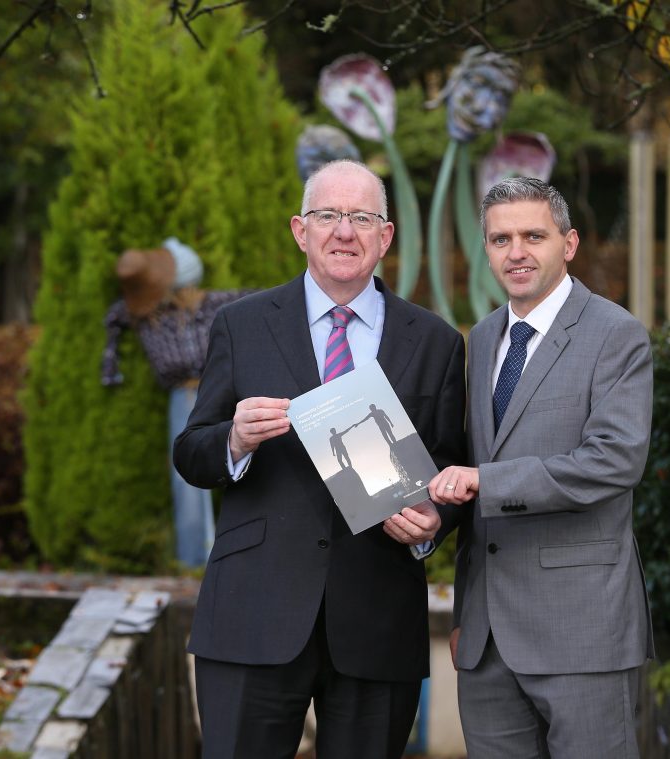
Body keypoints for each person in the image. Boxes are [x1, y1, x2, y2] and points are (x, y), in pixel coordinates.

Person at [173, 159, 466, 759]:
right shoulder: (242, 325)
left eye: (361, 217)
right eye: (327, 214)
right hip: (253, 613)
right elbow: (191, 451)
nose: (343, 230)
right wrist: (234, 439)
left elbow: (453, 466)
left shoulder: (436, 341)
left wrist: (433, 522)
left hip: (378, 618)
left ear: (386, 236)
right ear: (299, 230)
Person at [429, 178, 654, 759]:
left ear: (570, 243)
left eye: (534, 235)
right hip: (485, 641)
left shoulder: (615, 334)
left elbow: (613, 460)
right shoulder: (481, 340)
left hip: (581, 631)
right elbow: (477, 468)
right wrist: (464, 612)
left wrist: (487, 482)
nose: (517, 251)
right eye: (500, 239)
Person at [101, 238, 254, 568]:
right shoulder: (141, 315)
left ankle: (242, 554)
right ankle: (195, 559)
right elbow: (113, 321)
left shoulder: (217, 305)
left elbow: (263, 303)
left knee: (250, 468)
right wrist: (110, 367)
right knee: (187, 478)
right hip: (183, 395)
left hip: (225, 390)